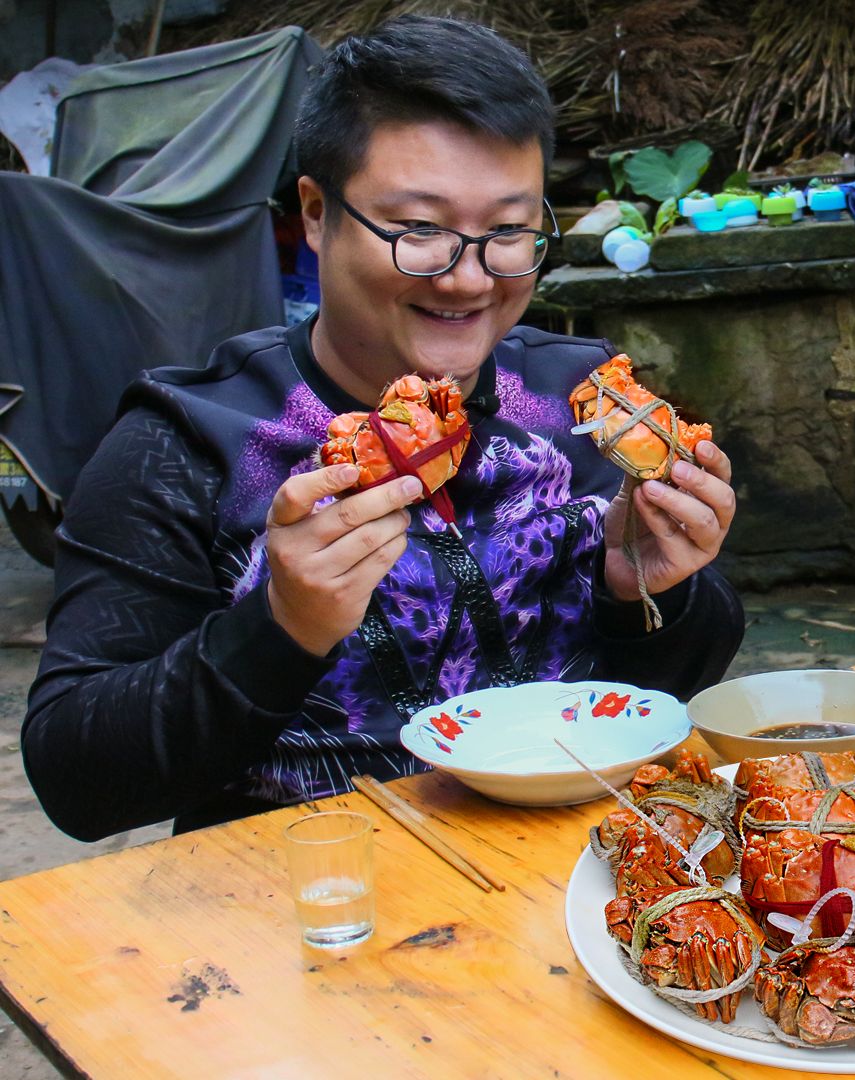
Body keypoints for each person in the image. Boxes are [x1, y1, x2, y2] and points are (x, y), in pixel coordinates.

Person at [22, 16, 744, 841]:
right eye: (419, 230)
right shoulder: (188, 441)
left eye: (508, 231)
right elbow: (76, 782)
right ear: (317, 214)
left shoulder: (575, 403)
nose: (470, 278)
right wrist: (280, 627)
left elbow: (667, 688)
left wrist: (649, 590)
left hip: (571, 871)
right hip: (310, 900)